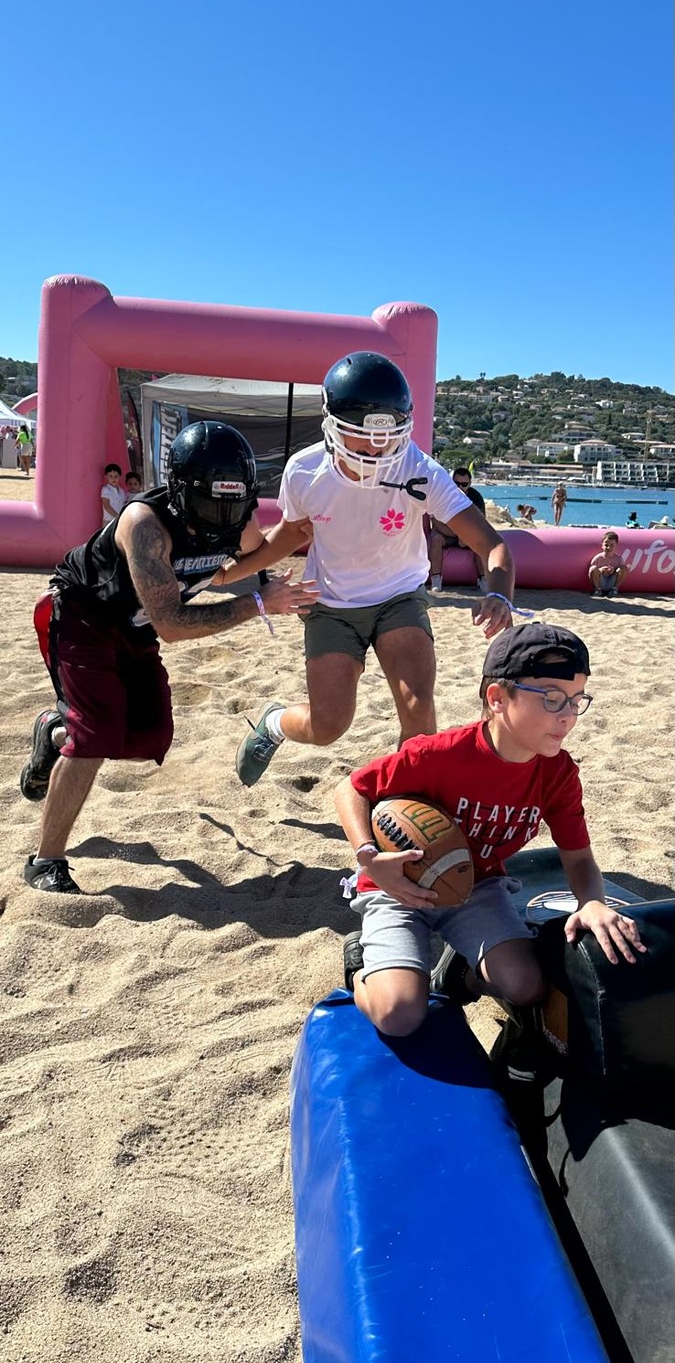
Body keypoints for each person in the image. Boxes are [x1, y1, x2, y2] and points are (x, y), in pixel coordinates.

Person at [18, 420, 318, 894]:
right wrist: (259, 603)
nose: (221, 515)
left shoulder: (235, 517)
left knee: (148, 739)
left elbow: (229, 568)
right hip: (82, 614)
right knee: (95, 737)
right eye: (210, 503)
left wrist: (298, 541)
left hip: (135, 626)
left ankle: (54, 733)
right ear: (181, 491)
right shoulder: (145, 525)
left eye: (233, 504)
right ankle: (45, 860)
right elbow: (173, 624)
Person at [334, 622, 645, 1040]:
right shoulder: (440, 753)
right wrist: (369, 857)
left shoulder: (557, 772)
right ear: (498, 698)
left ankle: (464, 977)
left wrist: (591, 902)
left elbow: (579, 855)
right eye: (552, 699)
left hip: (475, 889)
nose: (568, 715)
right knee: (399, 1015)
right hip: (399, 888)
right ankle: (360, 970)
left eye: (576, 700)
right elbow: (351, 788)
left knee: (526, 986)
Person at [226, 352, 516, 789]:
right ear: (331, 424)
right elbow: (290, 535)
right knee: (328, 726)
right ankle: (273, 724)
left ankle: (405, 802)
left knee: (418, 707)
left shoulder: (421, 471)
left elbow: (492, 545)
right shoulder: (305, 472)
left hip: (400, 596)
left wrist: (499, 593)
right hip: (331, 604)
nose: (377, 448)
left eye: (389, 436)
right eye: (362, 437)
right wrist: (234, 572)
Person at [427, 466, 487, 590]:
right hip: (448, 534)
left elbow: (481, 524)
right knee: (436, 538)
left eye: (464, 484)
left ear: (470, 484)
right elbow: (436, 523)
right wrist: (459, 534)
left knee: (480, 542)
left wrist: (465, 536)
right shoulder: (442, 495)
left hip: (466, 535)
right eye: (456, 483)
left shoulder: (476, 497)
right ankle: (436, 579)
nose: (460, 487)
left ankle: (483, 579)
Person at [588, 531, 628, 598]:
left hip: (611, 582)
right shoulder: (598, 558)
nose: (609, 547)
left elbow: (621, 571)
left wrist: (613, 570)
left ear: (616, 545)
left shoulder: (619, 559)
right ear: (602, 546)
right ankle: (597, 590)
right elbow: (591, 572)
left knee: (624, 568)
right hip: (600, 582)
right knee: (593, 568)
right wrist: (601, 570)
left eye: (612, 545)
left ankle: (614, 589)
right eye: (606, 545)